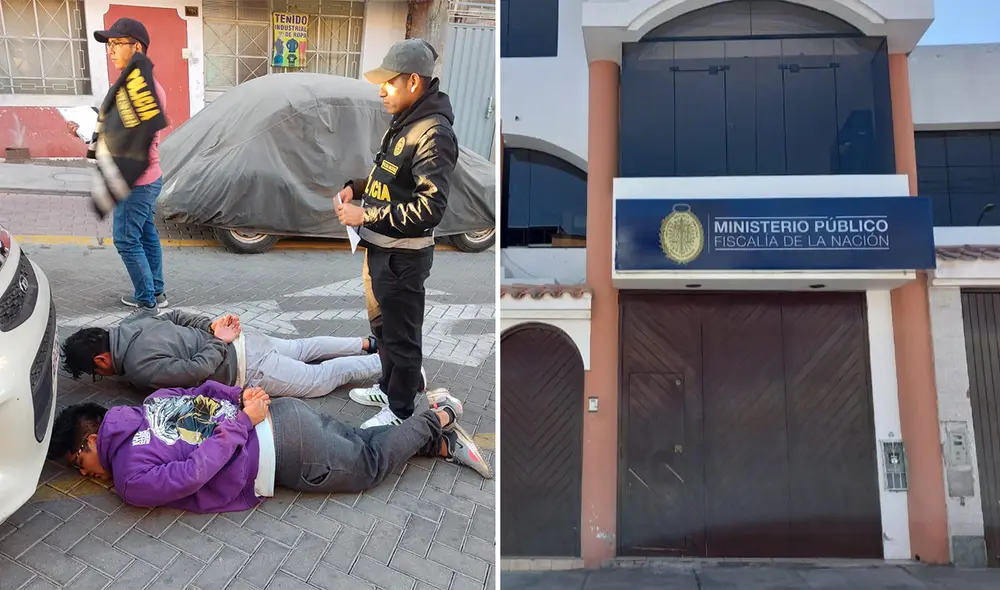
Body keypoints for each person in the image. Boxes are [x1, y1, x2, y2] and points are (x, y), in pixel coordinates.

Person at [47, 380, 491, 514]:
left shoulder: (127, 477)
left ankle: (439, 415)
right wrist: (242, 395)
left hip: (281, 450)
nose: (85, 472)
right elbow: (202, 388)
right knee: (357, 442)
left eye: (78, 461)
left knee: (368, 465)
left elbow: (193, 473)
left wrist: (241, 418)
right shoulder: (150, 404)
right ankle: (438, 445)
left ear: (91, 439)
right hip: (281, 415)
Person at [334, 38, 459, 429]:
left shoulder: (434, 133)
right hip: (380, 250)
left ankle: (401, 410)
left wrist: (365, 214)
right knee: (383, 329)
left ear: (413, 83)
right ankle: (389, 388)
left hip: (403, 257)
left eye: (389, 81)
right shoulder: (406, 122)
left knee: (402, 337)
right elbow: (390, 175)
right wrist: (356, 186)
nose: (381, 89)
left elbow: (429, 208)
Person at [67, 17, 168, 320]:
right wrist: (87, 129)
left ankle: (147, 304)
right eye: (108, 45)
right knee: (145, 234)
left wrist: (95, 136)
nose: (110, 51)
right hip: (144, 177)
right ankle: (156, 292)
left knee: (126, 239)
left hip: (136, 180)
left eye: (115, 44)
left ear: (136, 47)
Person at [61, 310, 380, 399]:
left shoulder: (138, 367)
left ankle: (390, 363)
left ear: (100, 361)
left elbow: (197, 370)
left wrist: (218, 339)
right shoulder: (131, 323)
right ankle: (367, 343)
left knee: (318, 379)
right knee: (301, 348)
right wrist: (212, 327)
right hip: (246, 339)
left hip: (248, 366)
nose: (101, 377)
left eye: (95, 373)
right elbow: (175, 315)